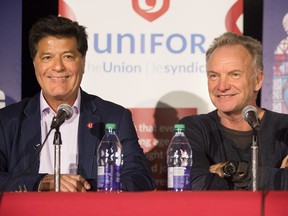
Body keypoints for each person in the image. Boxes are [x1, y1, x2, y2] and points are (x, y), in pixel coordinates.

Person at [0, 15, 155, 192]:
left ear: (82, 61)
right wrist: (40, 183)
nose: (58, 67)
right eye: (47, 57)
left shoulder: (114, 117)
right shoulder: (7, 121)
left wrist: (82, 187)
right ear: (35, 63)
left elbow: (140, 178)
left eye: (67, 56)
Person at [179, 32, 288, 190]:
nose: (222, 86)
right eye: (214, 76)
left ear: (257, 80)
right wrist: (275, 176)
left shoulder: (284, 128)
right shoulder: (192, 129)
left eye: (234, 75)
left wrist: (230, 171)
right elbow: (195, 185)